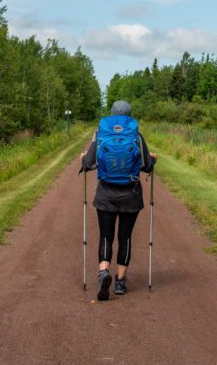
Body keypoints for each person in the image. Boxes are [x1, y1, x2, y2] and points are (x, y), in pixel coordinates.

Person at [79, 100, 157, 300]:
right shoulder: (136, 136)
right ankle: (120, 282)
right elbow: (147, 166)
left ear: (112, 114)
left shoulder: (101, 134)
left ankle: (103, 270)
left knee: (106, 236)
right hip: (131, 195)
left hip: (106, 194)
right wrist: (153, 159)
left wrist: (84, 157)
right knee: (125, 238)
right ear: (129, 115)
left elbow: (88, 163)